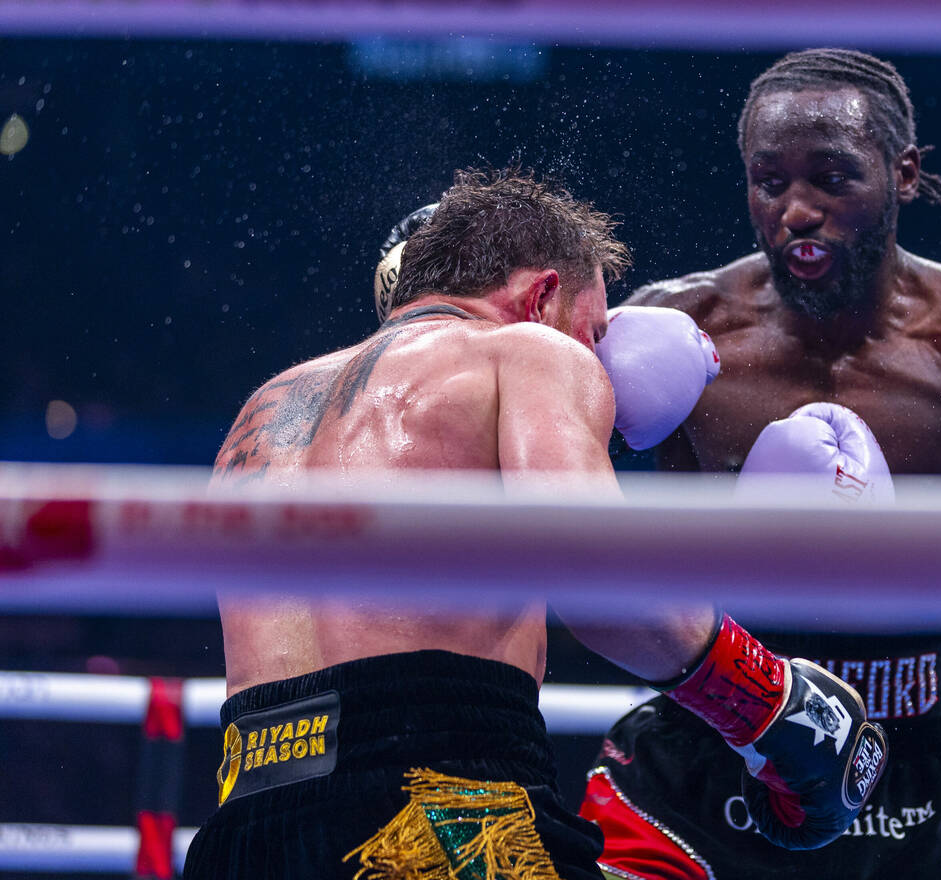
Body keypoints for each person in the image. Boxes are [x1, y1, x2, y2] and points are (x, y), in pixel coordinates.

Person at [183, 168, 887, 880]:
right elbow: (601, 585)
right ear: (542, 295)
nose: (600, 358)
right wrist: (774, 705)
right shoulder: (527, 351)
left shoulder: (267, 407)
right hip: (439, 811)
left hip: (243, 827)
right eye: (596, 330)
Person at [581, 49, 941, 880]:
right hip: (706, 777)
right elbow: (582, 557)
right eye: (768, 180)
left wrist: (883, 556)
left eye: (831, 178)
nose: (797, 211)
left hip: (926, 794)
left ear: (906, 174)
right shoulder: (677, 330)